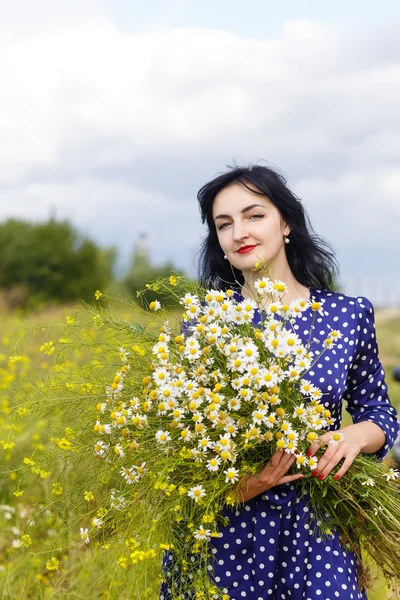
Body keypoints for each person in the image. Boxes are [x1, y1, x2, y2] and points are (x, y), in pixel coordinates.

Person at [160, 164, 399, 600]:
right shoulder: (205, 324)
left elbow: (380, 413)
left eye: (254, 215)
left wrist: (351, 436)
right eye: (224, 224)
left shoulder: (348, 316)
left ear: (286, 222)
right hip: (229, 530)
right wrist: (243, 486)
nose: (239, 233)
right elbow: (180, 452)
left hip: (318, 522)